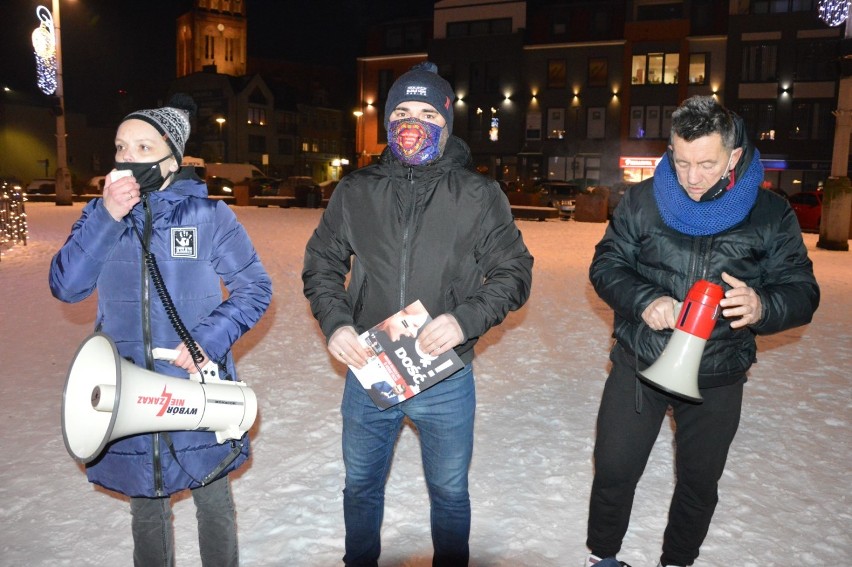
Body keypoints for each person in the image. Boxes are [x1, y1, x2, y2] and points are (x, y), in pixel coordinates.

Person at [302, 62, 533, 566]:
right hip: (370, 369)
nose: (413, 122)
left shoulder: (477, 194)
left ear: (447, 124)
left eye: (427, 112)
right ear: (386, 121)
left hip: (443, 377)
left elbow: (515, 272)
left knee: (449, 493)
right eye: (402, 111)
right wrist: (336, 322)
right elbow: (322, 263)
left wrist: (464, 320)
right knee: (360, 487)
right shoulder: (356, 191)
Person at [584, 95, 819, 567]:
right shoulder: (643, 199)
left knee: (698, 480)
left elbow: (802, 291)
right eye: (681, 160)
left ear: (733, 156)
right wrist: (643, 300)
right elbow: (606, 264)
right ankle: (602, 558)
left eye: (706, 164)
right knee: (614, 469)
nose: (691, 178)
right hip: (641, 362)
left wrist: (763, 304)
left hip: (718, 371)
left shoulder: (770, 213)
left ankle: (677, 561)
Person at [49, 94, 272, 566]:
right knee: (146, 508)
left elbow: (254, 288)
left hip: (196, 386)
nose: (127, 158)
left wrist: (207, 340)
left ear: (173, 157)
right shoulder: (98, 216)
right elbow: (67, 287)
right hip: (126, 388)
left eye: (143, 148)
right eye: (121, 147)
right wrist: (107, 219)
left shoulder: (209, 216)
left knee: (213, 504)